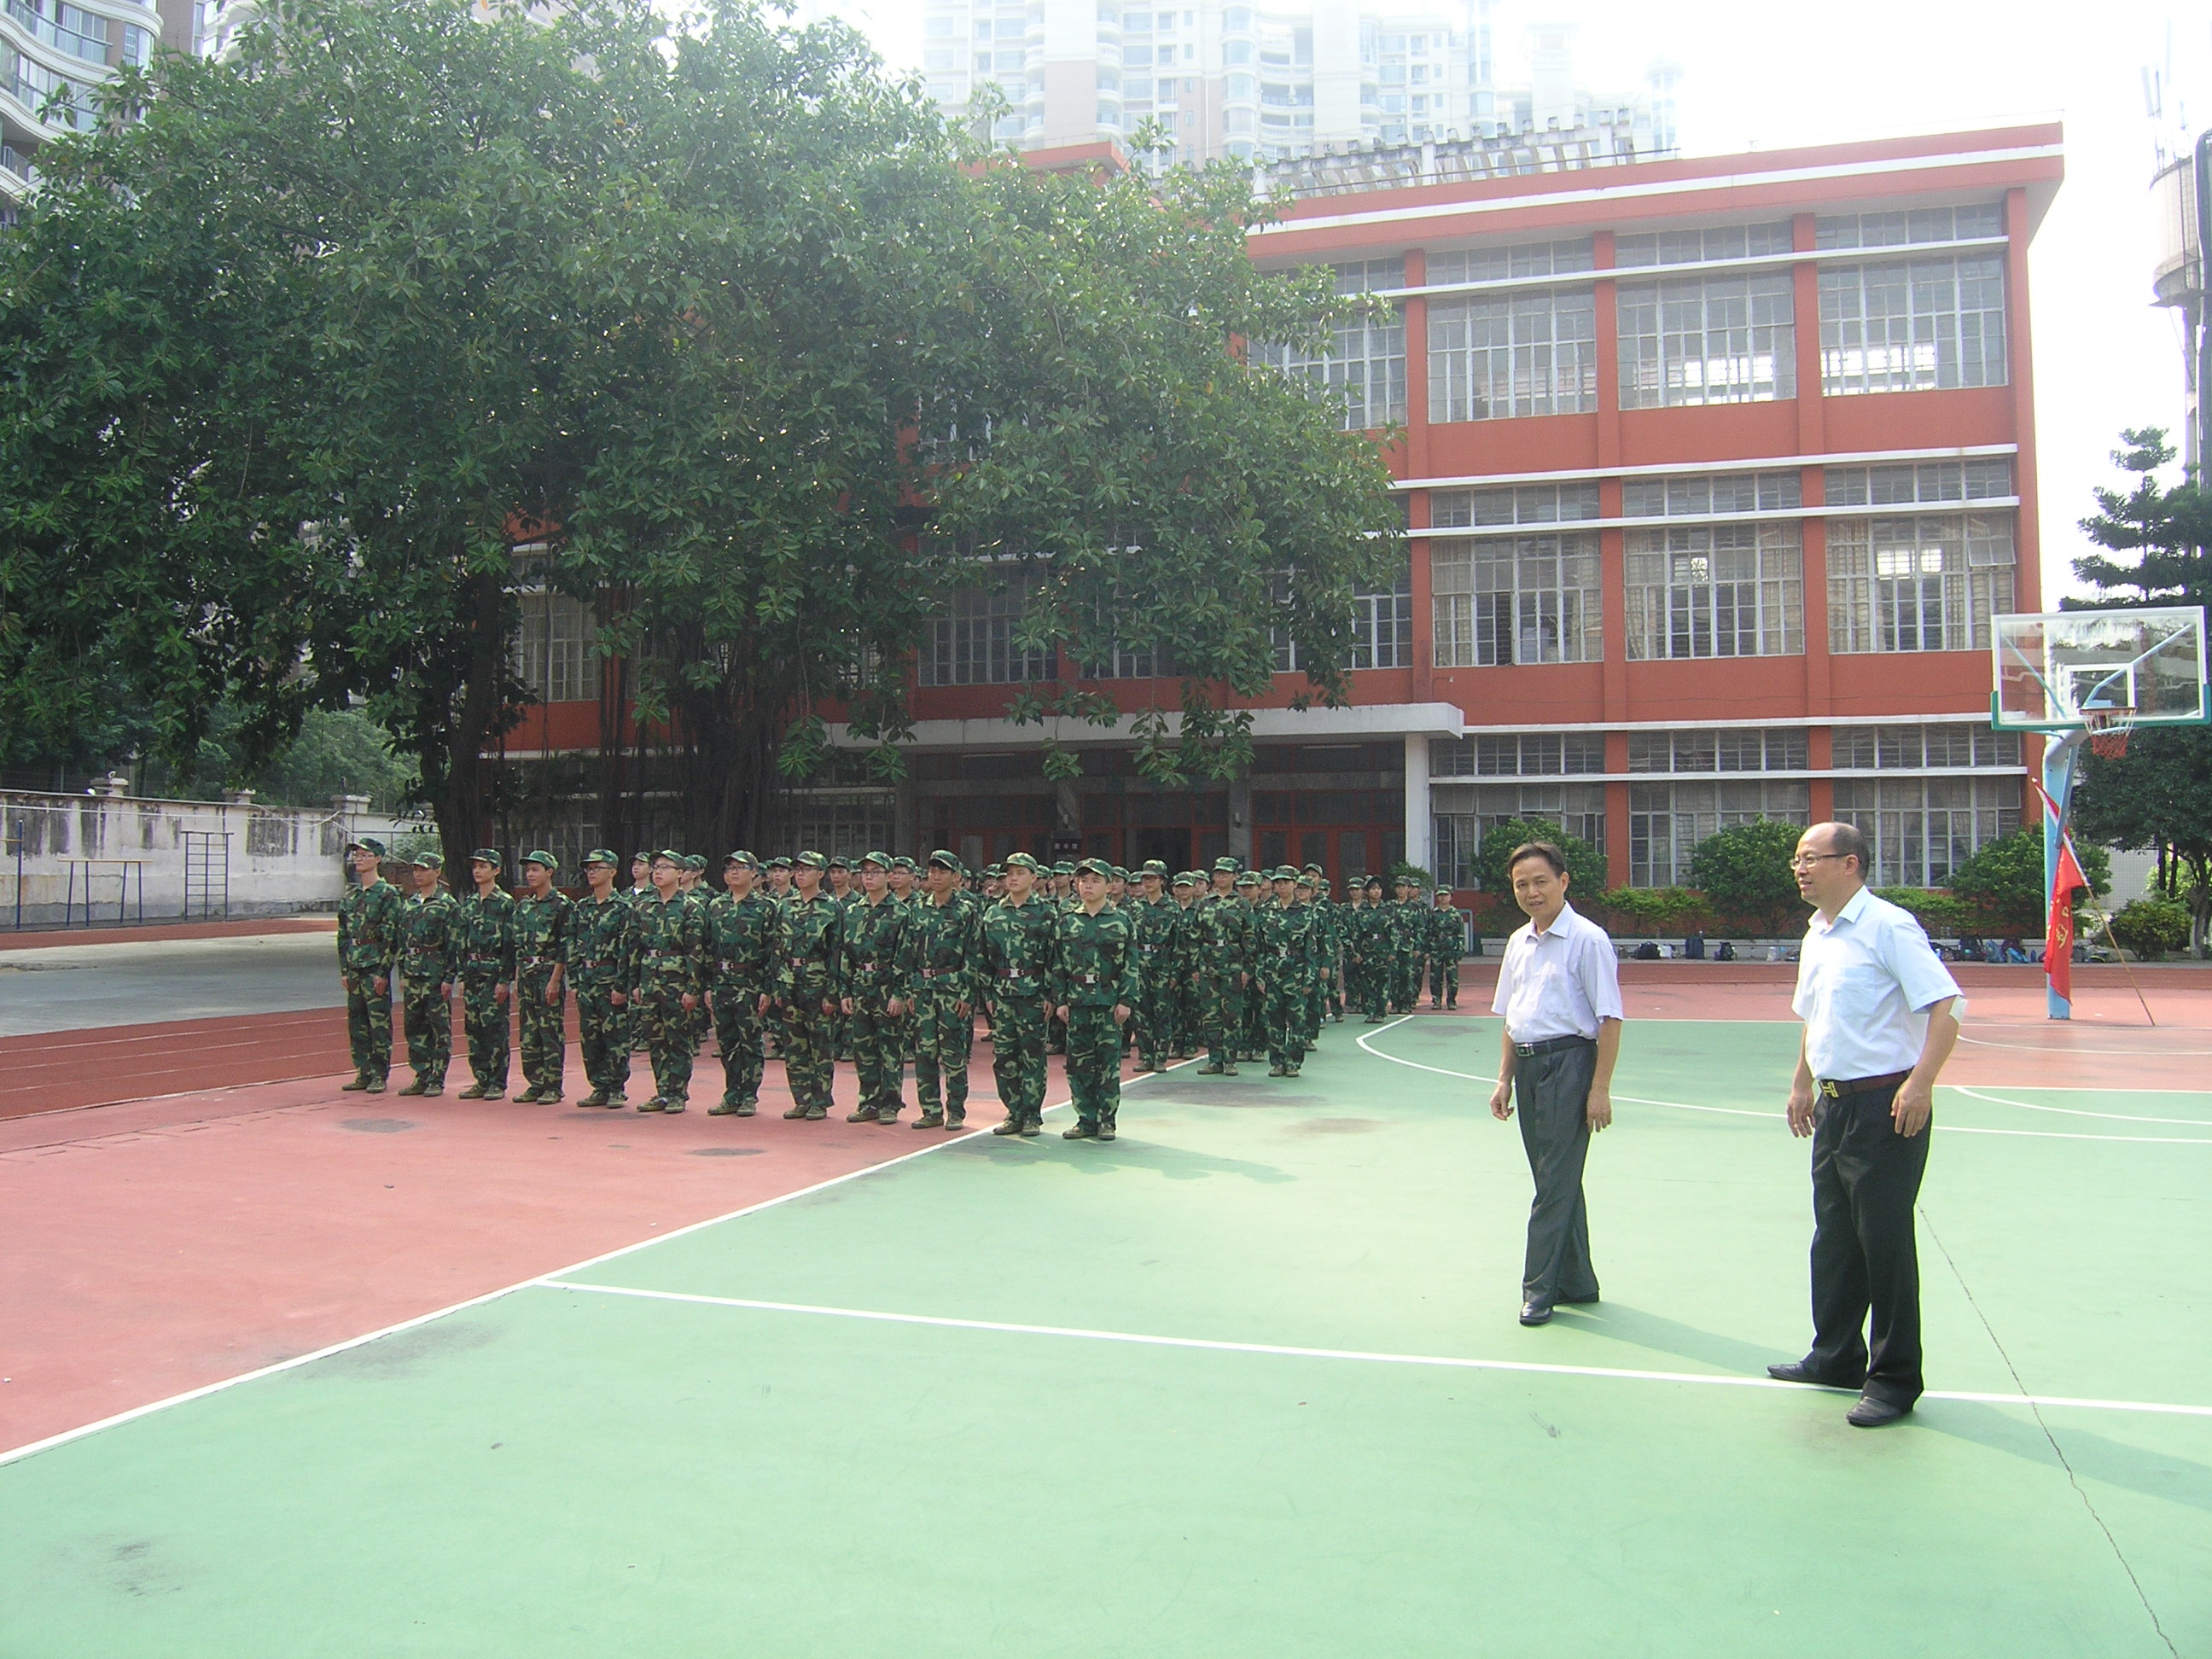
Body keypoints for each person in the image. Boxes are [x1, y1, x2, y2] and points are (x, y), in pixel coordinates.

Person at [1770, 820, 1962, 1429]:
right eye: (1796, 859)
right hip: (1832, 1106)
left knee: (1884, 1245)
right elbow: (1814, 1015)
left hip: (1886, 1108)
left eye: (1811, 858)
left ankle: (1895, 1380)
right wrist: (1803, 1082)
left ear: (1850, 863)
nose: (1800, 868)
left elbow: (1944, 1010)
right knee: (1835, 1238)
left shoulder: (1889, 926)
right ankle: (1835, 1356)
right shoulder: (1818, 934)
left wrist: (1920, 1083)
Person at [1487, 841, 1623, 1328]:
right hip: (1527, 1067)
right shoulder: (1517, 942)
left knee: (1553, 1183)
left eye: (1540, 881)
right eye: (1521, 884)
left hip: (1570, 1065)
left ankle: (1538, 1290)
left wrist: (1599, 1088)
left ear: (1563, 881)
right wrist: (1503, 1078)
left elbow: (1610, 1019)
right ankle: (1578, 1282)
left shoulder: (1588, 940)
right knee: (1555, 1179)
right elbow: (1511, 1016)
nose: (1531, 891)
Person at [1052, 857, 1138, 1140]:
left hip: (1108, 1001)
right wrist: (1061, 999)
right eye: (1083, 880)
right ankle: (1085, 1118)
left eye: (1095, 880)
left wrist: (1126, 1000)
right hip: (1077, 1001)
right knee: (1078, 1063)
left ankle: (1107, 1120)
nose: (1088, 886)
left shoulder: (1121, 920)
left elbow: (1131, 964)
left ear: (1108, 885)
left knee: (1108, 1064)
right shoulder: (1067, 920)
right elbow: (1058, 964)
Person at [904, 849, 983, 1130]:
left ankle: (956, 1110)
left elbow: (975, 954)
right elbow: (908, 952)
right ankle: (930, 1109)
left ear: (956, 877)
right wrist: (909, 989)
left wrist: (968, 994)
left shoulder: (966, 909)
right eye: (932, 871)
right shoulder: (918, 907)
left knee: (953, 1054)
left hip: (952, 989)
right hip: (923, 988)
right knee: (924, 1052)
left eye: (942, 872)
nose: (935, 876)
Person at [981, 852, 1057, 1138]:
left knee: (1033, 1055)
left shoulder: (1046, 913)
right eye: (1009, 874)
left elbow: (1054, 957)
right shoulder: (993, 913)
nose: (1012, 878)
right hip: (1002, 993)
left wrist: (1051, 994)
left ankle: (1031, 1115)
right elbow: (984, 956)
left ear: (1034, 878)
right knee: (1003, 1056)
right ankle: (1013, 1111)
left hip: (1033, 993)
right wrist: (987, 991)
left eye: (1019, 873)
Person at [632, 849, 708, 1113]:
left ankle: (677, 1092)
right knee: (655, 1038)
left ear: (680, 873)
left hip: (677, 981)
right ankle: (662, 1090)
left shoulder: (690, 907)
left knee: (678, 1038)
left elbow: (696, 951)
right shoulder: (643, 905)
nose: (658, 871)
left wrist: (693, 988)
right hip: (650, 977)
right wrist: (636, 983)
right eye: (655, 867)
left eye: (665, 866)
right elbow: (635, 947)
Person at [841, 851, 912, 1124]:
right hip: (861, 986)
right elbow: (846, 954)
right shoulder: (853, 911)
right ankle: (868, 1101)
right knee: (863, 1048)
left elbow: (905, 957)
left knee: (890, 1048)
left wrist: (899, 993)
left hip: (886, 985)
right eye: (865, 872)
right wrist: (845, 991)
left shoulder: (900, 913)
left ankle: (890, 1102)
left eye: (875, 872)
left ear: (889, 876)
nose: (869, 877)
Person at [704, 851, 777, 1116]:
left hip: (750, 982)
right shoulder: (715, 906)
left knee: (750, 1041)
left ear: (754, 874)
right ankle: (732, 1093)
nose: (734, 872)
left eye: (740, 867)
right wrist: (707, 985)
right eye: (729, 868)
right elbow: (707, 948)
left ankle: (749, 1094)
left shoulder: (765, 908)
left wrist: (767, 989)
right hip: (722, 981)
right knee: (727, 1041)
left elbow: (771, 950)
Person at [775, 851, 845, 1121]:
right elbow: (777, 948)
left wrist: (832, 992)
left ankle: (820, 1099)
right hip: (789, 980)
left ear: (820, 874)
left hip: (817, 981)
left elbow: (836, 952)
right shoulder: (784, 905)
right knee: (794, 1045)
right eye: (798, 869)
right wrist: (777, 985)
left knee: (820, 1046)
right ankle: (801, 1098)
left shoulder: (831, 907)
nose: (801, 873)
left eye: (807, 869)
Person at [568, 849, 637, 1109]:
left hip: (610, 980)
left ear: (613, 872)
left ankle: (616, 1086)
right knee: (590, 1036)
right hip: (587, 979)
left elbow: (627, 949)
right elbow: (573, 945)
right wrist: (574, 981)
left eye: (598, 867)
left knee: (615, 1036)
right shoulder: (582, 908)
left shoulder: (623, 908)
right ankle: (599, 1086)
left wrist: (621, 985)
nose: (591, 872)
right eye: (588, 868)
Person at [337, 837, 403, 1093]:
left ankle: (379, 1073)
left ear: (378, 859)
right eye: (357, 855)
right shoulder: (352, 895)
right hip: (355, 965)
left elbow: (391, 936)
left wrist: (383, 971)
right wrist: (344, 969)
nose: (359, 859)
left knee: (378, 1022)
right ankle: (362, 1070)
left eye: (365, 855)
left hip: (374, 964)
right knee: (357, 1021)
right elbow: (343, 934)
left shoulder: (387, 894)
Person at [452, 849, 516, 1099]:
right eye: (475, 866)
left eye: (484, 866)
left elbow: (510, 944)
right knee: (474, 1028)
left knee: (495, 1028)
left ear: (496, 870)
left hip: (493, 974)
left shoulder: (505, 903)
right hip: (472, 973)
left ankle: (497, 1082)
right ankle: (481, 1078)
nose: (478, 871)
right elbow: (461, 942)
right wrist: (462, 976)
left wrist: (504, 979)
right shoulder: (468, 904)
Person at [512, 851, 573, 1104]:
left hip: (548, 972)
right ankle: (535, 1082)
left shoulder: (562, 905)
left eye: (535, 869)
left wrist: (556, 979)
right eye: (528, 870)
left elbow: (564, 945)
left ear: (549, 871)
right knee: (528, 1031)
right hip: (527, 974)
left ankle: (552, 1084)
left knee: (550, 1031)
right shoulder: (524, 906)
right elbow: (518, 944)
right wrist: (517, 976)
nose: (530, 875)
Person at [393, 852, 455, 1097]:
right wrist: (403, 973)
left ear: (437, 872)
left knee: (438, 1028)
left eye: (424, 869)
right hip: (413, 972)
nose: (418, 874)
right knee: (414, 1026)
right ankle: (421, 1074)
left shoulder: (447, 904)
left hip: (435, 973)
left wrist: (449, 976)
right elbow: (402, 941)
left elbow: (452, 944)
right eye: (416, 870)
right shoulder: (409, 904)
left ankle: (437, 1078)